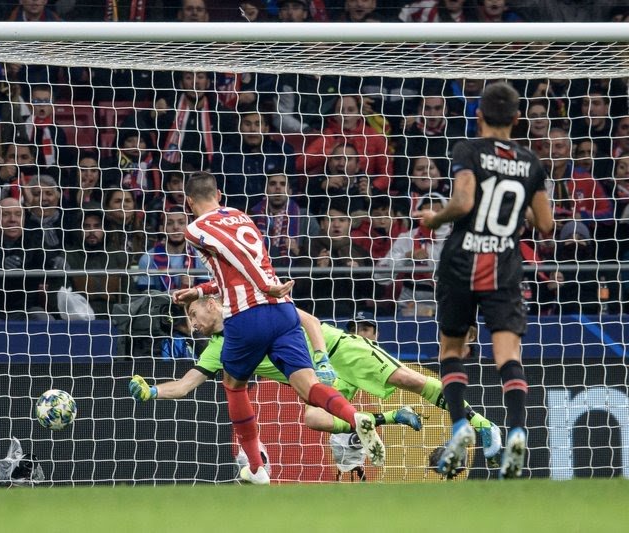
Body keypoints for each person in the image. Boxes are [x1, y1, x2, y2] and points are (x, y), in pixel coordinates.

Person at [171, 171, 385, 485]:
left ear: (189, 202)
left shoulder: (196, 227)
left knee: (233, 385)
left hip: (249, 314)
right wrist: (200, 290)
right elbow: (237, 269)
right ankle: (354, 417)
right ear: (219, 194)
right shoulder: (241, 216)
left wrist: (263, 286)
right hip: (283, 310)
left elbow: (234, 253)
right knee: (308, 386)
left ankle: (256, 467)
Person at [129, 298, 501, 469]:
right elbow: (186, 384)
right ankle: (389, 417)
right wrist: (153, 391)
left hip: (337, 352)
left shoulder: (253, 306)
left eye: (193, 315)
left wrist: (321, 357)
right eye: (189, 321)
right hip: (316, 382)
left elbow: (307, 319)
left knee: (408, 378)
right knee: (313, 418)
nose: (192, 325)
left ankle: (483, 425)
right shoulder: (216, 350)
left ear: (212, 304)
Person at [413, 82, 554, 479]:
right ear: (517, 118)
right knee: (508, 355)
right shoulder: (531, 162)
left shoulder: (468, 150)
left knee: (452, 349)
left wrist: (434, 219)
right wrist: (517, 210)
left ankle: (460, 426)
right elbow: (546, 224)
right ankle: (518, 430)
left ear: (478, 116)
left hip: (461, 262)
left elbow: (463, 202)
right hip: (504, 267)